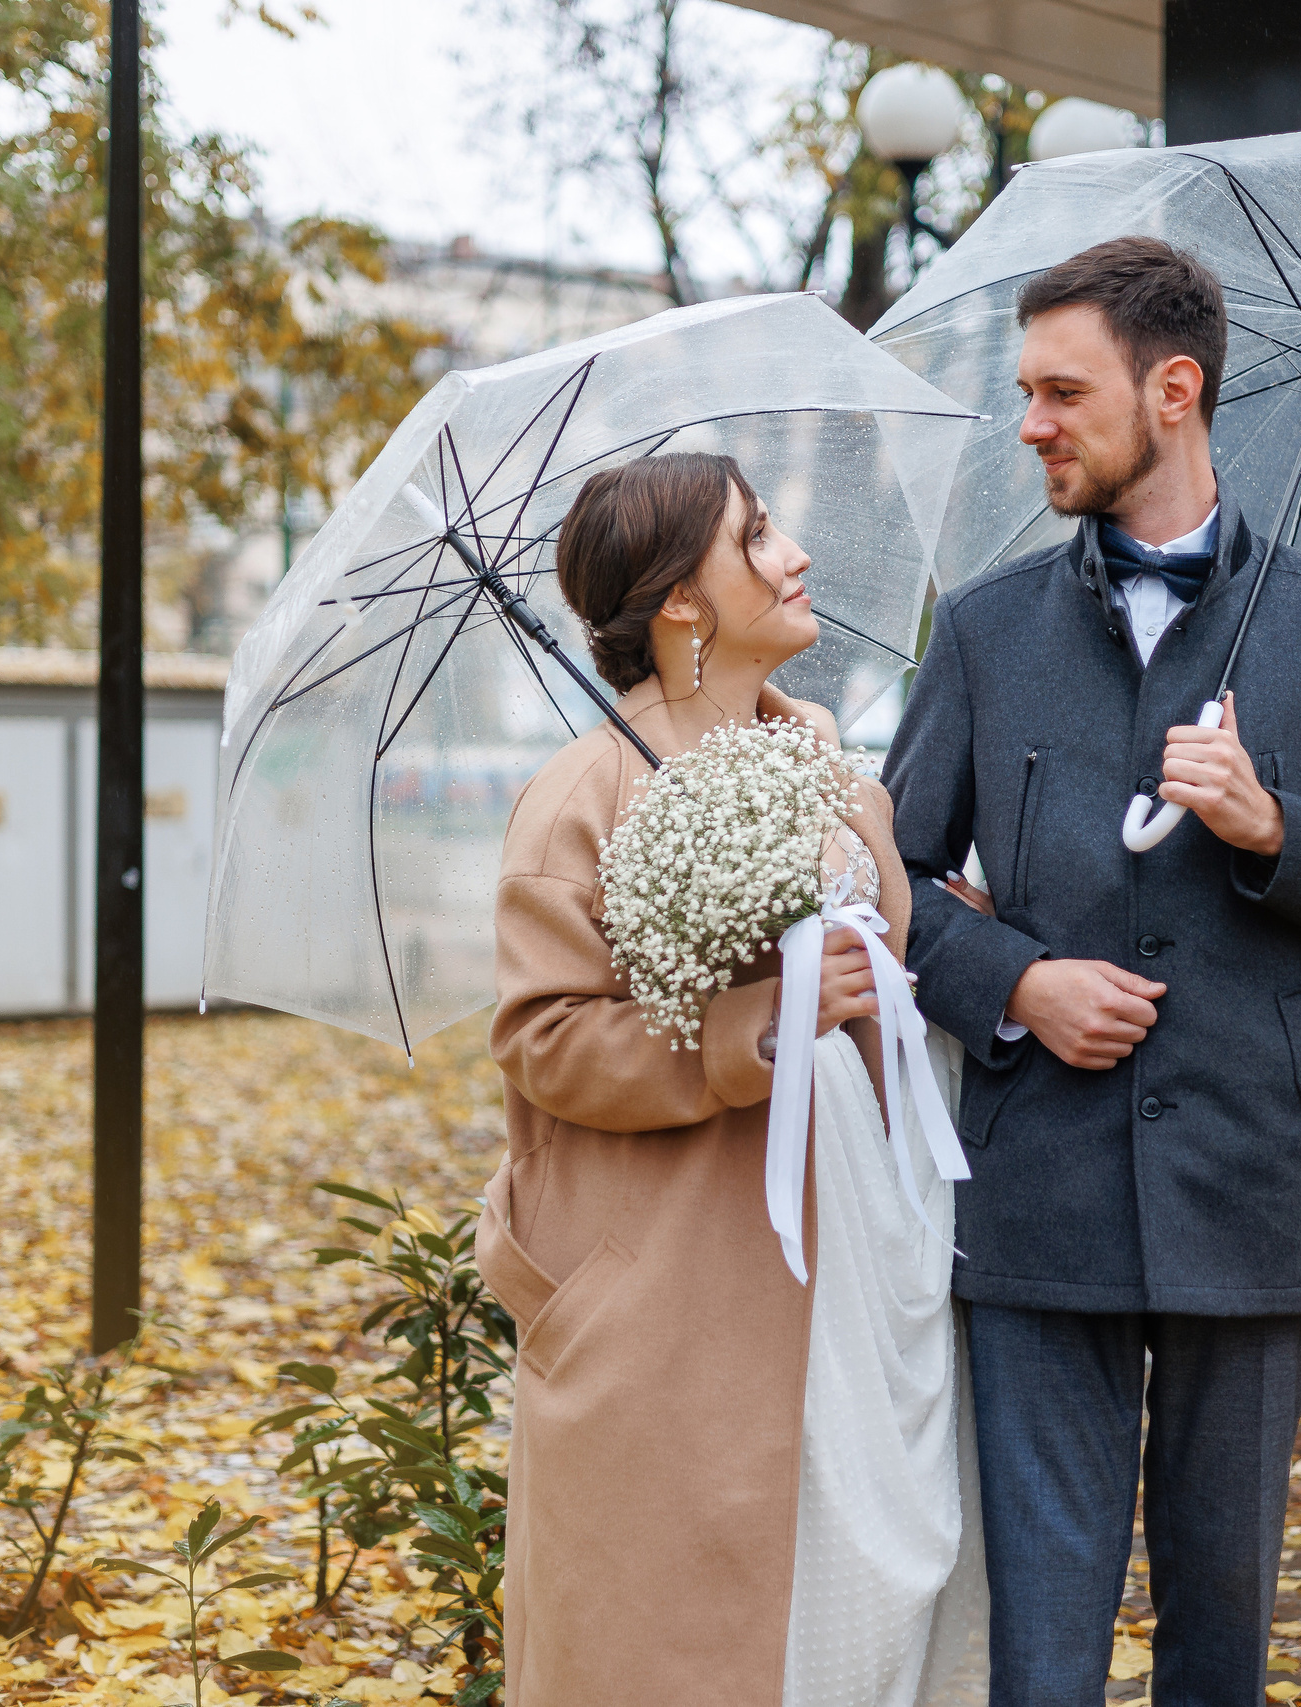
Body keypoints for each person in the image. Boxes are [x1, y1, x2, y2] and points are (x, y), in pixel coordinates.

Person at [884, 237, 1301, 1706]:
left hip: (1253, 1189)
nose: (1032, 422)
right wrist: (1017, 984)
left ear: (1177, 389)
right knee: (1045, 1646)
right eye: (1026, 391)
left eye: (1062, 391)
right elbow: (875, 880)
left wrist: (1278, 825)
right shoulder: (985, 627)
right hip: (1037, 1195)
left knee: (1223, 1637)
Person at [478, 451, 988, 1707]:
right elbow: (543, 1038)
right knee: (680, 1635)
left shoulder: (816, 751)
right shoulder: (581, 796)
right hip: (671, 1288)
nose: (794, 554)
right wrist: (754, 1023)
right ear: (681, 605)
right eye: (756, 538)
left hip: (854, 1231)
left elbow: (876, 938)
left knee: (868, 1588)